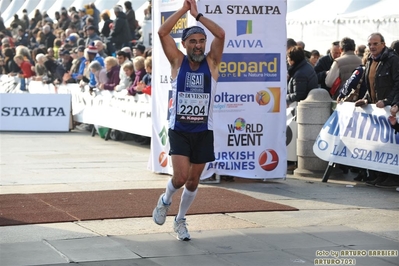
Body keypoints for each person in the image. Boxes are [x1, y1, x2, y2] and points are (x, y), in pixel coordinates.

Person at [152, 0, 225, 241]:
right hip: (180, 129)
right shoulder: (177, 62)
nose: (198, 45)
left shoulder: (212, 63)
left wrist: (198, 15)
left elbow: (221, 34)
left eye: (201, 41)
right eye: (192, 41)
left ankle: (180, 219)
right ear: (183, 45)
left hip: (204, 131)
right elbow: (163, 32)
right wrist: (183, 11)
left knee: (194, 182)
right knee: (181, 177)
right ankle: (165, 200)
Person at [354, 33, 399, 188]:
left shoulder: (392, 60)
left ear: (383, 44)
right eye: (369, 44)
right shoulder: (369, 62)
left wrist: (388, 101)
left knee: (390, 144)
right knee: (379, 144)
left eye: (375, 44)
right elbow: (371, 86)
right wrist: (366, 99)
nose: (372, 47)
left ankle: (391, 177)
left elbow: (397, 84)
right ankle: (380, 175)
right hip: (377, 110)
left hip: (389, 110)